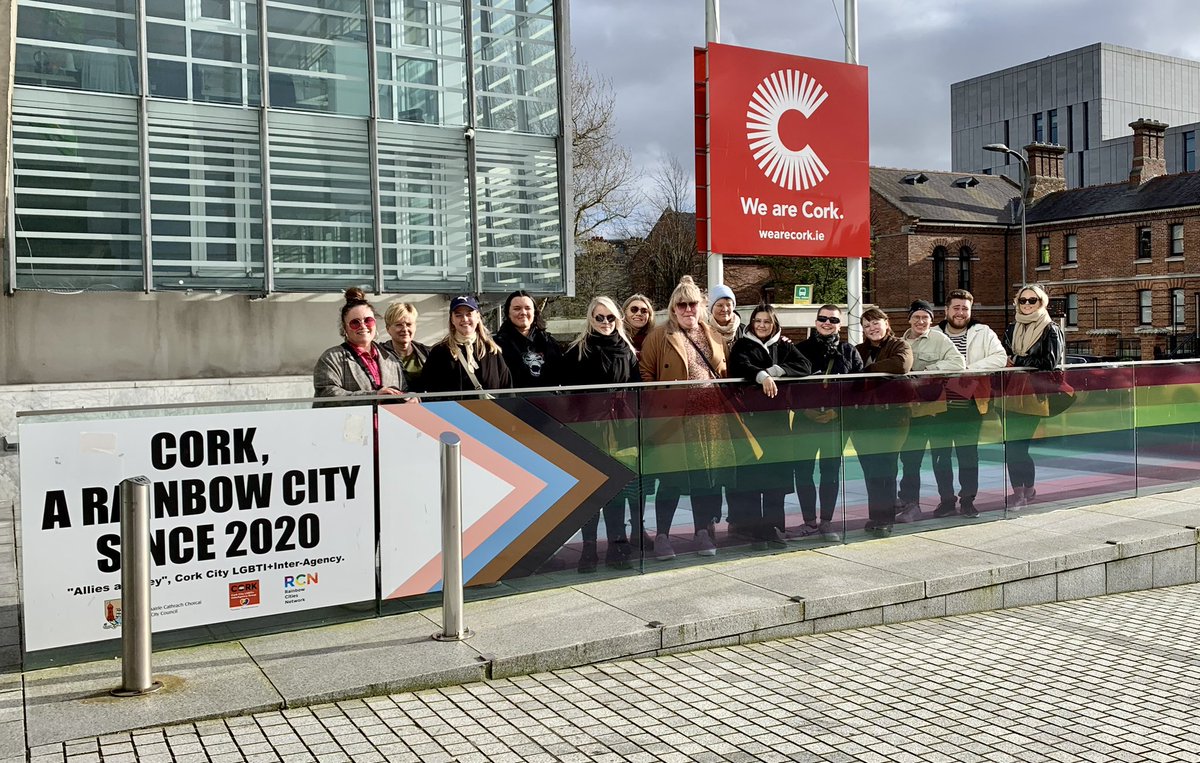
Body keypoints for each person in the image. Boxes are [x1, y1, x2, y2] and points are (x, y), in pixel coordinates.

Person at [639, 275, 733, 560]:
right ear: (673, 308)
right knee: (672, 481)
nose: (688, 309)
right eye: (682, 304)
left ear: (701, 306)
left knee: (706, 480)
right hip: (674, 421)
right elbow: (645, 374)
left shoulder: (713, 334)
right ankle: (663, 536)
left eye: (692, 303)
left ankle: (702, 531)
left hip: (711, 419)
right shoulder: (659, 335)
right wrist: (663, 404)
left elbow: (725, 371)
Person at [561, 297, 641, 572]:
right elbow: (569, 395)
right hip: (589, 427)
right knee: (591, 491)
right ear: (590, 319)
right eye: (599, 317)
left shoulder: (626, 350)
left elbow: (636, 389)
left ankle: (617, 548)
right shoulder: (578, 351)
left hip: (622, 428)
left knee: (617, 489)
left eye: (610, 317)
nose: (605, 323)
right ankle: (589, 549)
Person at [728, 304, 811, 549]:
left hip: (778, 422)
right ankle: (754, 532)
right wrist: (762, 376)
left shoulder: (783, 345)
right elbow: (740, 366)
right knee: (753, 480)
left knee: (776, 480)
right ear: (751, 323)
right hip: (752, 420)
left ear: (773, 323)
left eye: (766, 321)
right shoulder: (743, 345)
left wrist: (777, 370)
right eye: (758, 321)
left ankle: (774, 529)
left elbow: (804, 366)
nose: (762, 325)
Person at [933, 289, 1008, 517]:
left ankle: (968, 500)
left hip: (970, 407)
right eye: (956, 307)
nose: (960, 312)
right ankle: (946, 501)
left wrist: (968, 370)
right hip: (939, 407)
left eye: (965, 308)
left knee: (968, 456)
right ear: (946, 310)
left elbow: (1000, 357)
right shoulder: (934, 333)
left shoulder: (983, 332)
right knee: (940, 457)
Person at [792, 304, 864, 542]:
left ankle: (827, 522)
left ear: (839, 325)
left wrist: (837, 412)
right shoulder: (799, 349)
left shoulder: (848, 351)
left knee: (830, 472)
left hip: (835, 422)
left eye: (833, 320)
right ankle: (809, 522)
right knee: (803, 472)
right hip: (806, 421)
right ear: (815, 322)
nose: (827, 323)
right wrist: (805, 410)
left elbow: (859, 388)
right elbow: (788, 387)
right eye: (823, 319)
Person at [896, 300, 965, 522]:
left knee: (941, 459)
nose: (920, 321)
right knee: (910, 460)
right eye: (916, 317)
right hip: (910, 412)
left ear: (931, 320)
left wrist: (927, 372)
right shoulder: (901, 341)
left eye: (925, 317)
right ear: (909, 319)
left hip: (936, 411)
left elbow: (958, 363)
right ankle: (910, 504)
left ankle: (947, 501)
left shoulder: (939, 339)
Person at [851, 308, 913, 536]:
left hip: (891, 418)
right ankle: (875, 516)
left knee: (886, 468)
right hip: (863, 419)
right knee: (870, 469)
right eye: (866, 326)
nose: (871, 329)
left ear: (886, 323)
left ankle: (885, 519)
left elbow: (901, 365)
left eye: (875, 323)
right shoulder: (858, 349)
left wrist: (868, 370)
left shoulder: (899, 345)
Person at [1002, 284, 1065, 508]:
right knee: (1011, 447)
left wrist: (1018, 361)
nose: (1027, 304)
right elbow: (1003, 355)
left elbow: (1049, 363)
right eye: (1023, 300)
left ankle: (1025, 490)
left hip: (1033, 395)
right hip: (1009, 393)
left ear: (1042, 303)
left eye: (1033, 300)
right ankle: (1020, 491)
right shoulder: (1012, 328)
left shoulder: (1050, 329)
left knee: (1020, 447)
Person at [313, 287, 406, 402]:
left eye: (368, 320)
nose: (363, 326)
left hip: (387, 419)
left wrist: (411, 398)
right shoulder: (331, 358)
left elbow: (404, 390)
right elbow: (326, 395)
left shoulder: (391, 359)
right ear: (345, 328)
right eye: (355, 323)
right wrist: (373, 396)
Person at [422, 295, 514, 394]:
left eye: (469, 314)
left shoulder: (492, 351)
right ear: (452, 319)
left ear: (478, 317)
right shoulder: (439, 352)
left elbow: (507, 390)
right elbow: (428, 389)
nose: (464, 319)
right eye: (458, 315)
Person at [494, 290, 562, 389]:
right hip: (510, 402)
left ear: (534, 312)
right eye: (517, 309)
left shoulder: (549, 343)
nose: (523, 312)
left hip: (547, 401)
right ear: (508, 313)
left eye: (527, 308)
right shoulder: (496, 345)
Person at [382, 302, 431, 393]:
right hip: (391, 406)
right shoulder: (379, 354)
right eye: (399, 325)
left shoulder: (428, 353)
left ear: (415, 326)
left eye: (409, 324)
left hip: (424, 406)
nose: (405, 329)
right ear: (388, 329)